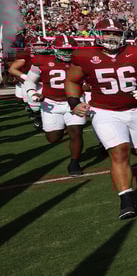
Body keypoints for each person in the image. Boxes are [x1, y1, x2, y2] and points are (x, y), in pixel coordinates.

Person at [65, 18, 137, 220]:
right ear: (97, 35)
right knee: (120, 153)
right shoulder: (85, 55)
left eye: (116, 34)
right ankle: (126, 200)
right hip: (104, 111)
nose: (111, 37)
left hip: (136, 109)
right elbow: (72, 80)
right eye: (107, 33)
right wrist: (74, 102)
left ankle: (124, 164)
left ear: (123, 36)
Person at [23, 34, 85, 176]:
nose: (68, 54)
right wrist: (33, 93)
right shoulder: (41, 60)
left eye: (70, 50)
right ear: (55, 49)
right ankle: (62, 127)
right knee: (53, 138)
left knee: (76, 132)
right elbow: (29, 81)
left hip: (74, 101)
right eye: (64, 50)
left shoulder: (81, 60)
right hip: (51, 102)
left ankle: (75, 163)